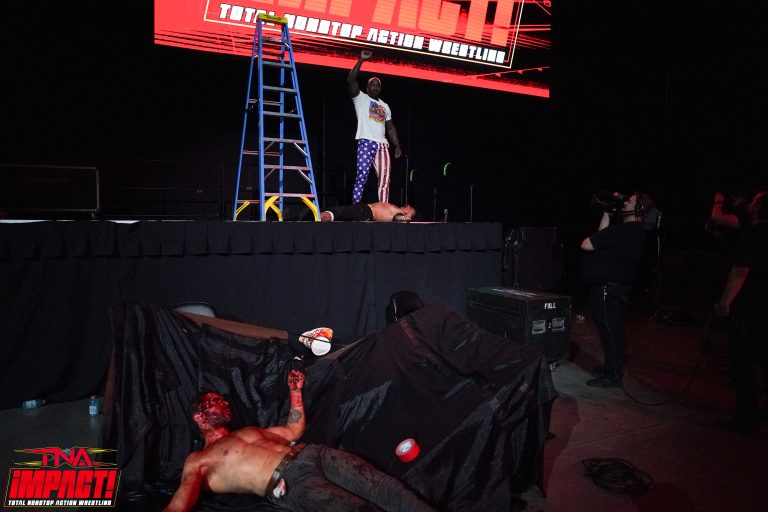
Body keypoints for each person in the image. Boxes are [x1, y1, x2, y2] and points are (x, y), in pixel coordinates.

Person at [163, 370, 435, 512]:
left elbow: (293, 429)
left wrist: (295, 393)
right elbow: (178, 504)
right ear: (199, 416)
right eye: (214, 401)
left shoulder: (248, 431)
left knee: (387, 488)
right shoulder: (199, 459)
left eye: (222, 399)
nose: (223, 402)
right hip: (289, 482)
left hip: (314, 454)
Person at [579, 192, 655, 388]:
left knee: (610, 333)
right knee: (613, 331)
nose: (624, 203)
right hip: (617, 289)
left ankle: (612, 375)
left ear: (639, 208)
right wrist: (607, 214)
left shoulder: (623, 230)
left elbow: (588, 244)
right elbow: (601, 239)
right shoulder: (635, 232)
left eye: (629, 201)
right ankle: (611, 368)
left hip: (607, 290)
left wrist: (608, 216)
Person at [714, 190, 768, 434]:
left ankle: (746, 419)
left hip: (749, 308)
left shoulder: (755, 234)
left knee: (743, 361)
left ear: (756, 209)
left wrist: (724, 303)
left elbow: (741, 271)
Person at [347, 49, 402, 205]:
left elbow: (390, 127)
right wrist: (361, 60)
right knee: (362, 176)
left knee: (385, 178)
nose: (376, 87)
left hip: (382, 145)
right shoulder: (360, 98)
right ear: (367, 87)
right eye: (373, 85)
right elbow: (350, 80)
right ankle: (356, 207)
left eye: (378, 85)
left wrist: (397, 145)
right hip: (365, 141)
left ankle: (383, 207)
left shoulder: (385, 106)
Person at [320, 202, 416, 222]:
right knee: (336, 211)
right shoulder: (396, 208)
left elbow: (399, 218)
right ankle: (316, 215)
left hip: (366, 212)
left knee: (337, 213)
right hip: (363, 208)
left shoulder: (398, 214)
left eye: (410, 208)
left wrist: (408, 215)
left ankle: (319, 217)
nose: (408, 205)